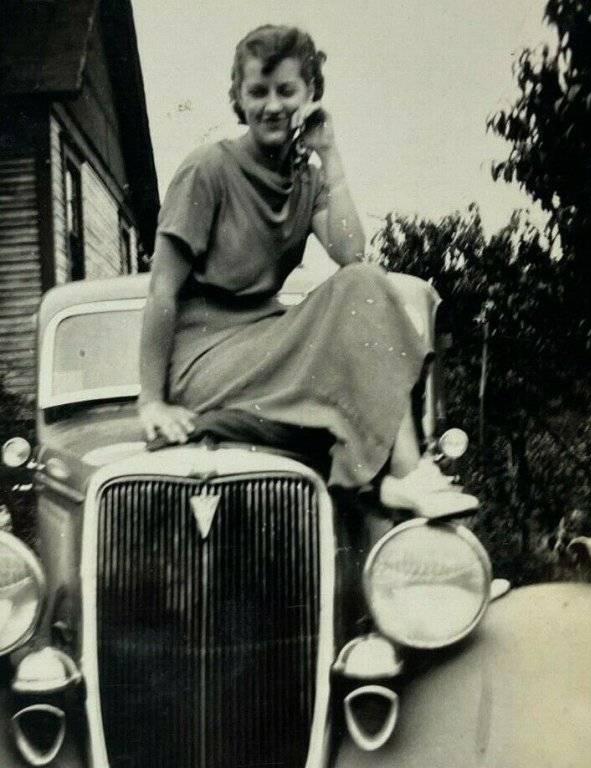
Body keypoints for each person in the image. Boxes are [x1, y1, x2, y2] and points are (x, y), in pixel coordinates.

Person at [138, 24, 473, 515]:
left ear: (310, 94)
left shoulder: (307, 180)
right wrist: (152, 400)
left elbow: (352, 254)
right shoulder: (207, 169)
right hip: (205, 359)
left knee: (363, 282)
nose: (272, 106)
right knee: (351, 324)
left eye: (286, 91)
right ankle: (398, 474)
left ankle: (403, 473)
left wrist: (330, 155)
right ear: (238, 98)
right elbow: (161, 291)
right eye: (257, 92)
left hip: (267, 343)